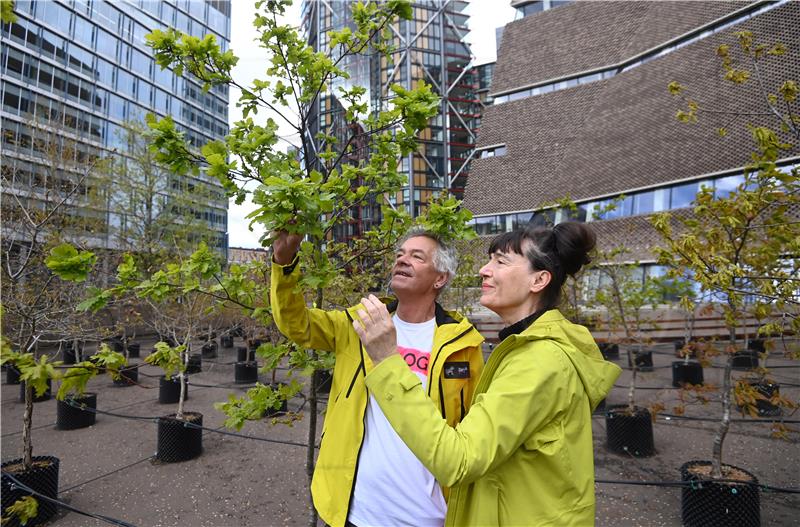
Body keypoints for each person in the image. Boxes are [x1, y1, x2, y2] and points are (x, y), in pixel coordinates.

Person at [352, 222, 622, 526]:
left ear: (539, 280)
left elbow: (459, 460)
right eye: (489, 259)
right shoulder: (523, 349)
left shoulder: (540, 361)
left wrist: (388, 360)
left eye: (501, 261)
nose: (483, 270)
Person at [270, 228, 485, 527]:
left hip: (428, 517)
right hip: (357, 512)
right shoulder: (361, 323)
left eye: (416, 256)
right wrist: (284, 263)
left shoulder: (462, 346)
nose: (402, 260)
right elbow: (297, 323)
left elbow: (471, 437)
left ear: (440, 278)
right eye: (400, 254)